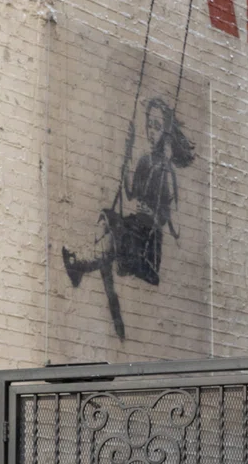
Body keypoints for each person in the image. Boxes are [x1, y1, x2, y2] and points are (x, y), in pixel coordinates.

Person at [62, 97, 195, 340]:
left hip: (147, 242)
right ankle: (87, 265)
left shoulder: (167, 170)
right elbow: (130, 193)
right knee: (108, 218)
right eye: (149, 124)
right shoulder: (145, 160)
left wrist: (156, 211)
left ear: (166, 131)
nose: (151, 131)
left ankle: (81, 262)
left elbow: (173, 224)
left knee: (112, 234)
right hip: (135, 227)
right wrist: (126, 159)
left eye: (156, 126)